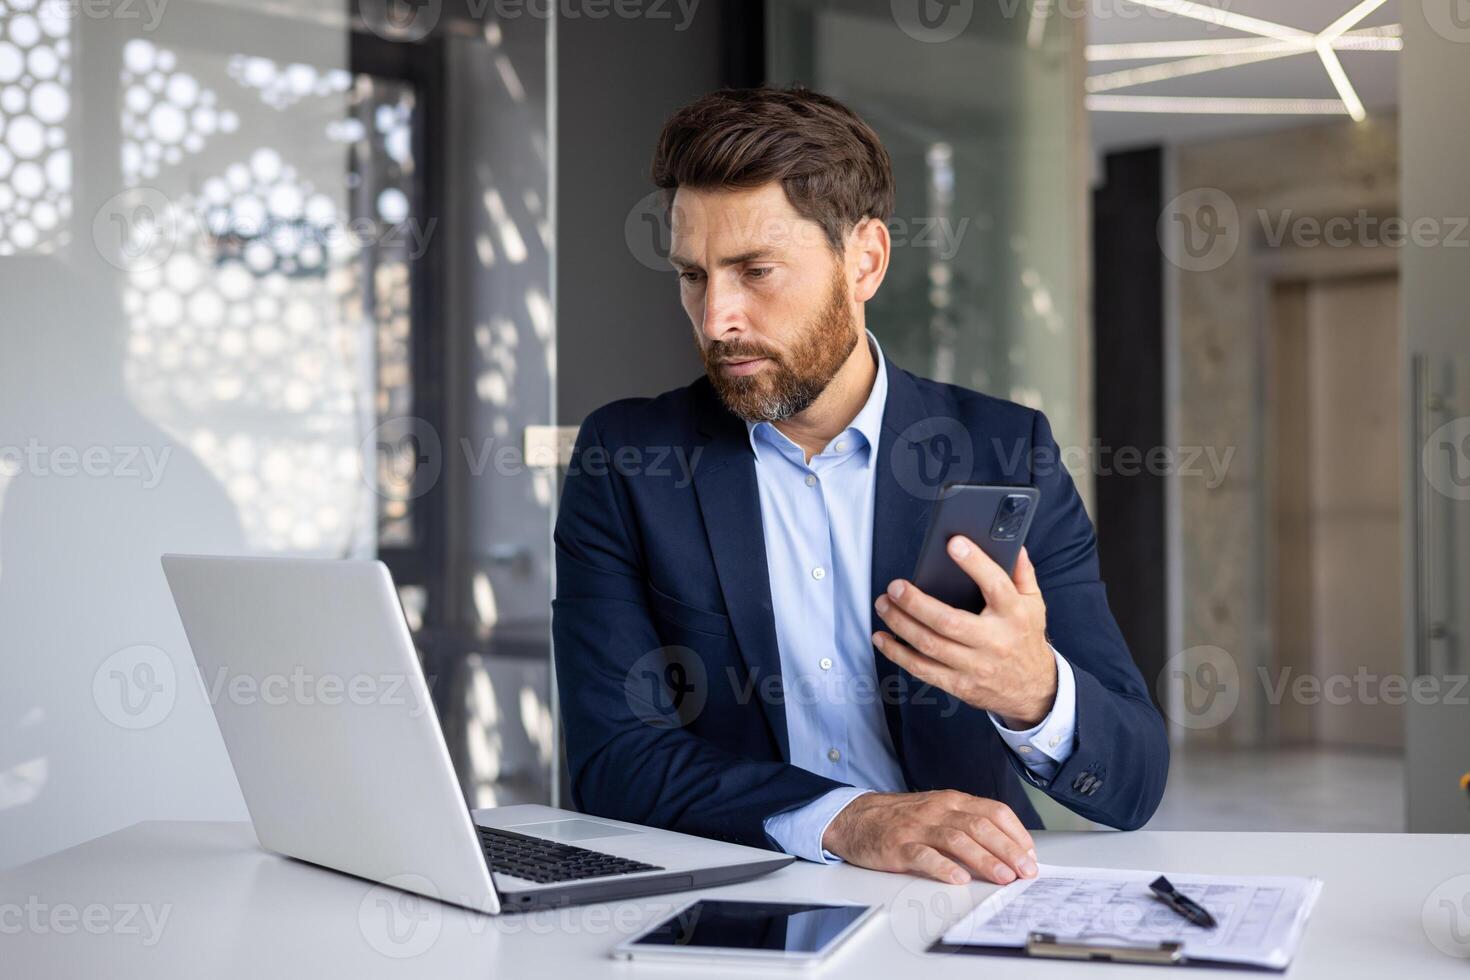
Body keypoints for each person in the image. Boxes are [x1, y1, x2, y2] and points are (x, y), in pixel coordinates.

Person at [552, 87, 1167, 885]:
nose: (716, 319)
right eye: (694, 276)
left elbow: (1136, 779)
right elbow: (613, 760)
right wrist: (847, 819)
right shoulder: (628, 459)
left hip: (961, 902)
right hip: (747, 903)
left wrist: (1036, 694)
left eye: (755, 271)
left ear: (865, 260)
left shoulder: (1004, 450)